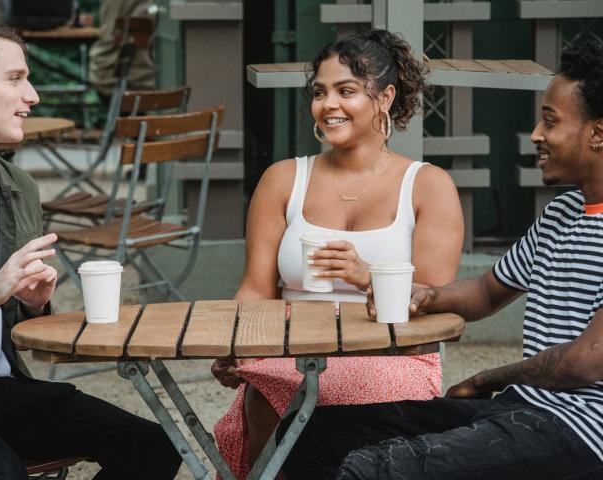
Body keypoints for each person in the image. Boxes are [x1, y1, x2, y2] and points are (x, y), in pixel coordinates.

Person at [279, 40, 603, 480]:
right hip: (524, 408)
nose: (536, 135)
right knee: (305, 431)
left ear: (598, 133)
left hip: (582, 431)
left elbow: (587, 361)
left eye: (550, 121)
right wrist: (422, 295)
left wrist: (488, 378)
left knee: (376, 470)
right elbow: (486, 292)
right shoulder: (563, 213)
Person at [212, 29, 464, 478]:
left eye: (346, 91)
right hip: (290, 353)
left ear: (385, 97)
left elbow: (435, 305)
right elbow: (255, 287)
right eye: (319, 92)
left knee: (293, 388)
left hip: (393, 358)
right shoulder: (284, 179)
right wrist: (237, 346)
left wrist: (369, 277)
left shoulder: (428, 186)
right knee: (268, 384)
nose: (328, 105)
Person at [0, 21, 180, 479]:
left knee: (154, 446)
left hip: (3, 387)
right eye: (16, 78)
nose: (34, 96)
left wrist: (30, 303)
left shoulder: (18, 187)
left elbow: (23, 325)